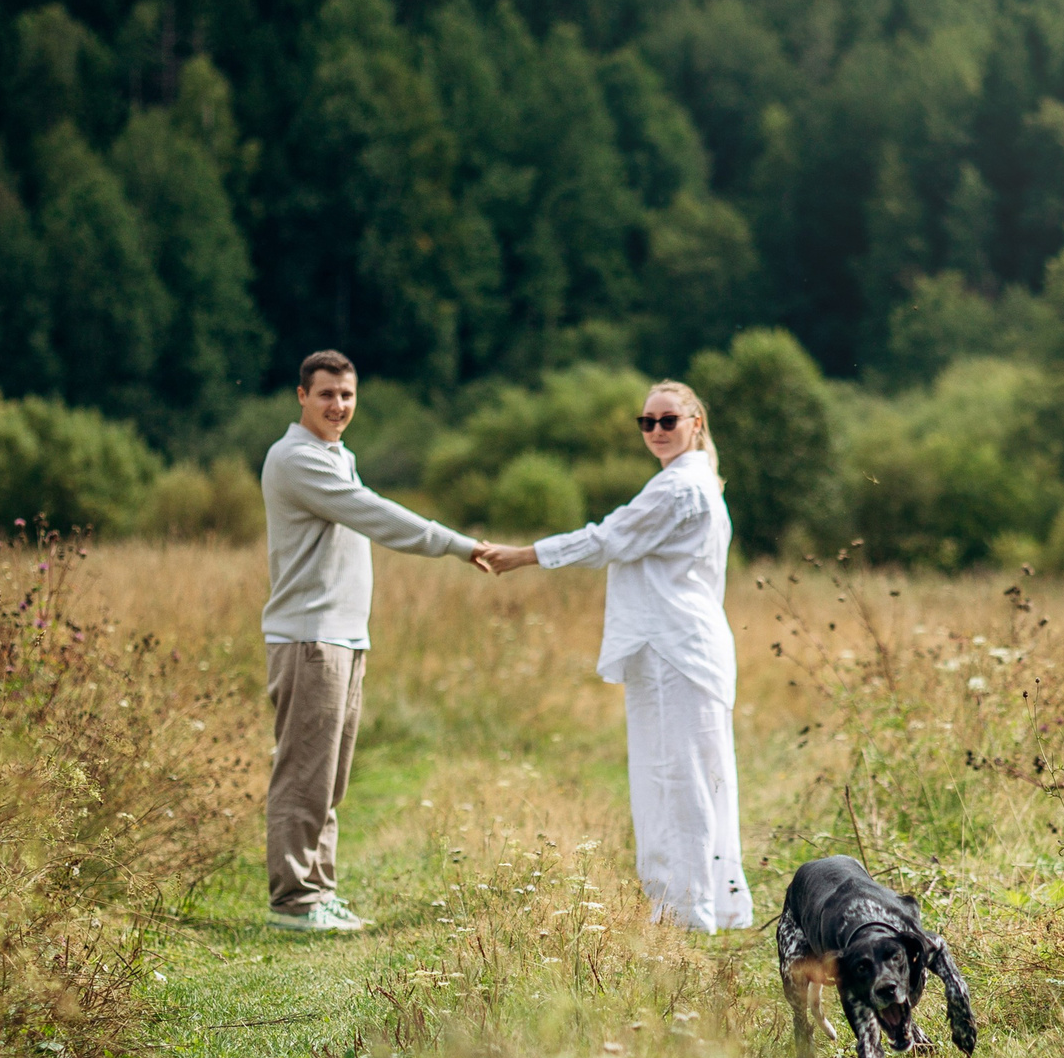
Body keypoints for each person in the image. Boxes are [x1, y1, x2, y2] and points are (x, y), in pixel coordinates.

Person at [477, 382, 753, 932]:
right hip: (669, 646)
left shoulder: (682, 489)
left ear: (696, 423)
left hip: (678, 649)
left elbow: (607, 539)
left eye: (667, 420)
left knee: (681, 780)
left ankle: (687, 910)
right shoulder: (681, 482)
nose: (655, 431)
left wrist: (524, 555)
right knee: (674, 776)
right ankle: (694, 905)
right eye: (646, 422)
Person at [262, 350, 493, 932]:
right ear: (301, 397)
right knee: (303, 775)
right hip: (310, 637)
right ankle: (294, 901)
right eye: (326, 395)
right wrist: (456, 543)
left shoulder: (337, 456)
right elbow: (375, 516)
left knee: (330, 778)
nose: (338, 406)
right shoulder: (296, 459)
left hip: (343, 636)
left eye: (347, 395)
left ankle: (320, 889)